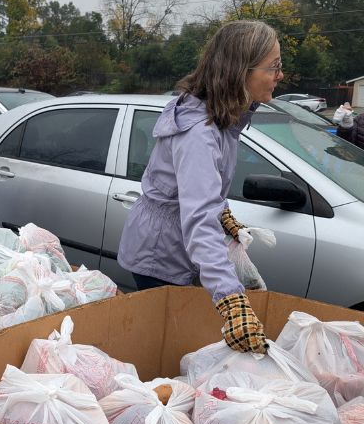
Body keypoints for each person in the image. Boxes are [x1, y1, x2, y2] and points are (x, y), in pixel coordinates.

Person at [118, 20, 284, 354]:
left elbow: (199, 191)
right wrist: (232, 300)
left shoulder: (224, 120)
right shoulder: (200, 134)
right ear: (241, 72)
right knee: (169, 348)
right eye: (274, 67)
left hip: (174, 247)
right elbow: (197, 220)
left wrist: (222, 212)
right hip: (160, 256)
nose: (281, 75)